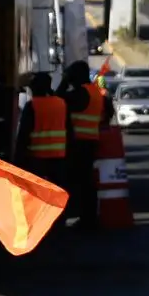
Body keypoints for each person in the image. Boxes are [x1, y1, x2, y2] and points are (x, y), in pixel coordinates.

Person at [56, 60, 110, 231]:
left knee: (74, 181)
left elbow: (58, 100)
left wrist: (64, 82)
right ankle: (89, 217)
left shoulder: (81, 94)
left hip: (79, 143)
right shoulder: (94, 92)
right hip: (91, 140)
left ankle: (83, 219)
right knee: (86, 182)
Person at [13, 72, 70, 190]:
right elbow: (69, 132)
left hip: (37, 161)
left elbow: (23, 138)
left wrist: (17, 163)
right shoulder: (61, 104)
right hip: (59, 160)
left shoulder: (32, 106)